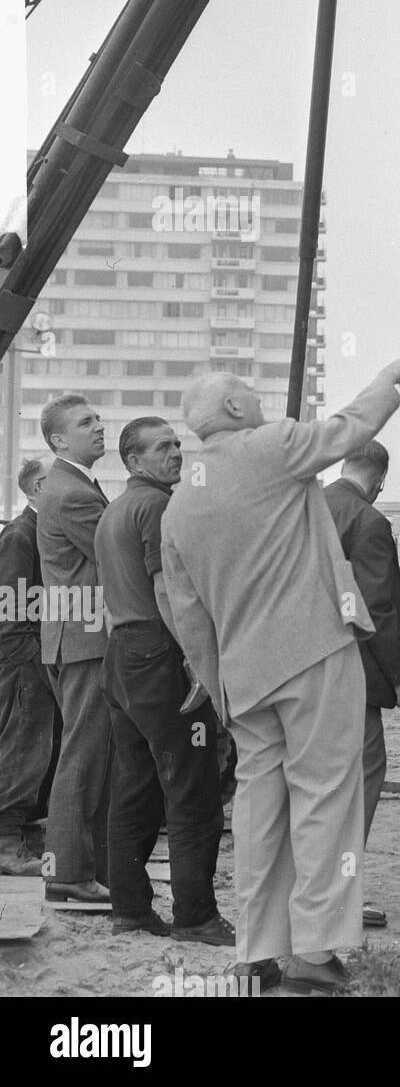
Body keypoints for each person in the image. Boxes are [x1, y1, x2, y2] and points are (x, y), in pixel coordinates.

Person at [160, 359, 400, 995]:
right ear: (238, 410)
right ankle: (315, 951)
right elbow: (352, 428)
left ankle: (257, 948)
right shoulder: (271, 447)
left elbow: (187, 613)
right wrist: (389, 378)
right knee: (327, 796)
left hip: (243, 676)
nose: (259, 398)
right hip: (313, 652)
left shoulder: (179, 504)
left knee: (259, 810)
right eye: (249, 392)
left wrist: (219, 686)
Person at [95, 418, 228, 945]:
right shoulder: (154, 506)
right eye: (162, 447)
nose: (176, 452)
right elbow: (166, 588)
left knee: (134, 789)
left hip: (125, 656)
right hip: (161, 653)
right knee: (194, 793)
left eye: (176, 443)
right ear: (133, 461)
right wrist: (198, 658)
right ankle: (196, 918)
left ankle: (129, 908)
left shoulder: (117, 509)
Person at [323, 439, 400, 930]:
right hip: (353, 675)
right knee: (361, 780)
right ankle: (339, 898)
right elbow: (375, 605)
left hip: (307, 675)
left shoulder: (309, 508)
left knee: (318, 788)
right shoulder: (368, 520)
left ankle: (315, 892)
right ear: (380, 480)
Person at [37, 394, 112, 903]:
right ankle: (66, 874)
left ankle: (75, 870)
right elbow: (117, 556)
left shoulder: (71, 486)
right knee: (83, 755)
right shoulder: (73, 493)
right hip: (85, 640)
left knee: (86, 753)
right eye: (87, 423)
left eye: (98, 419)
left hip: (72, 638)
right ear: (60, 440)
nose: (100, 427)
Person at [0, 456, 56, 875]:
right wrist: (31, 660)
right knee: (23, 747)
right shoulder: (22, 534)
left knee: (36, 747)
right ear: (36, 489)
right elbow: (11, 606)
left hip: (34, 656)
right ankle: (6, 848)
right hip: (24, 659)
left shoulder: (39, 531)